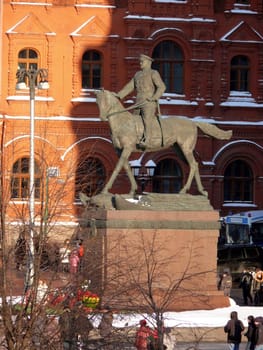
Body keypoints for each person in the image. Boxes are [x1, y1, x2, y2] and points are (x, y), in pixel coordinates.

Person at [117, 54, 166, 148]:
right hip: (138, 101)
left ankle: (147, 140)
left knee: (147, 120)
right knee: (134, 120)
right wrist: (119, 95)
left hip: (149, 102)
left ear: (148, 62)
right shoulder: (137, 74)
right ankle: (135, 138)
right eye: (140, 61)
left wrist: (154, 97)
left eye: (142, 61)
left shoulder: (153, 73)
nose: (140, 63)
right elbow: (129, 87)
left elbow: (162, 87)